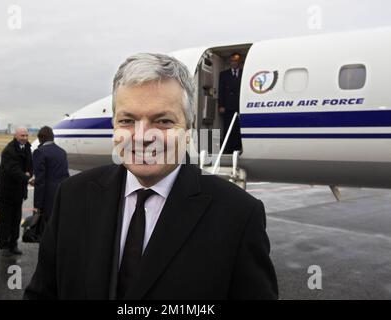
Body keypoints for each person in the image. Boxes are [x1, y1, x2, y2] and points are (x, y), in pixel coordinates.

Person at [24, 53, 278, 299]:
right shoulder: (72, 196)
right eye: (127, 121)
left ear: (188, 131)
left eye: (164, 121)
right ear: (114, 126)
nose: (143, 136)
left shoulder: (239, 215)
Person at [0, 127, 33, 256]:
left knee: (16, 219)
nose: (24, 138)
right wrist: (27, 177)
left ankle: (13, 244)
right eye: (22, 135)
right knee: (5, 220)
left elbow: (30, 166)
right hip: (7, 191)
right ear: (15, 136)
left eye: (26, 135)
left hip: (19, 191)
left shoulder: (27, 148)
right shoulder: (9, 150)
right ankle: (4, 245)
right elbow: (12, 170)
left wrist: (28, 174)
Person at [33, 126, 69, 232]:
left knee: (45, 229)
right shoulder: (62, 152)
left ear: (40, 138)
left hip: (47, 197)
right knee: (57, 226)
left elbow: (40, 180)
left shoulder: (39, 152)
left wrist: (37, 204)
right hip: (60, 194)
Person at [218, 53, 243, 154]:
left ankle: (237, 150)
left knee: (238, 129)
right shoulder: (224, 74)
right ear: (230, 62)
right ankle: (227, 150)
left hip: (240, 106)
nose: (234, 63)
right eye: (232, 61)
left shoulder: (243, 73)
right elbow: (221, 91)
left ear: (240, 63)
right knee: (228, 128)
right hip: (227, 106)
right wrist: (221, 105)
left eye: (236, 61)